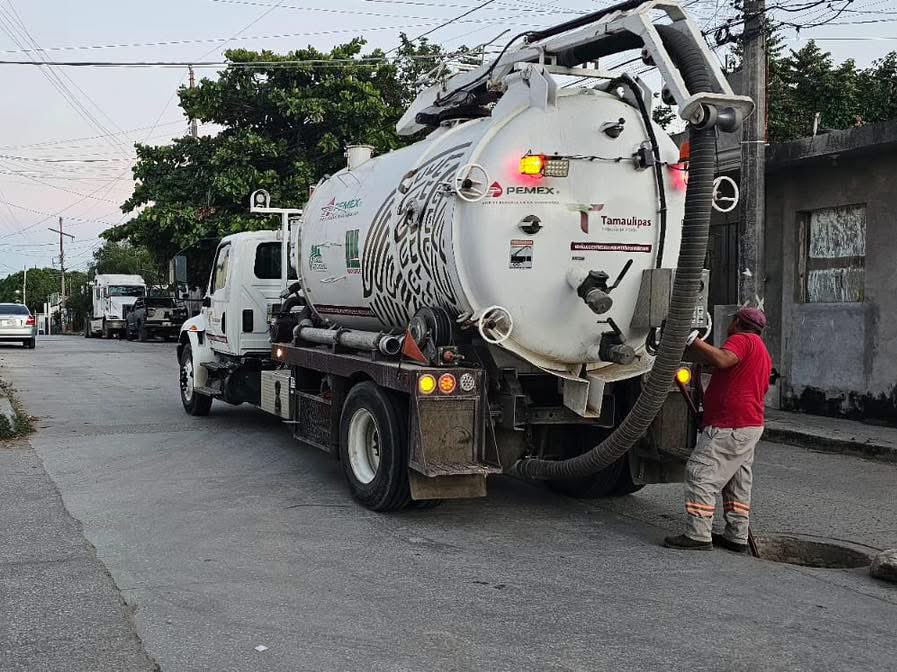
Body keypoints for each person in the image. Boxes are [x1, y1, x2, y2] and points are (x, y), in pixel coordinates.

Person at [664, 306, 773, 552]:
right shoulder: (762, 350)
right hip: (749, 425)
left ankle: (698, 535)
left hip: (730, 424)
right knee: (737, 480)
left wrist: (693, 339)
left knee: (700, 473)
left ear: (737, 322)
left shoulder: (742, 339)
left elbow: (724, 359)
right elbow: (724, 365)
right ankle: (737, 535)